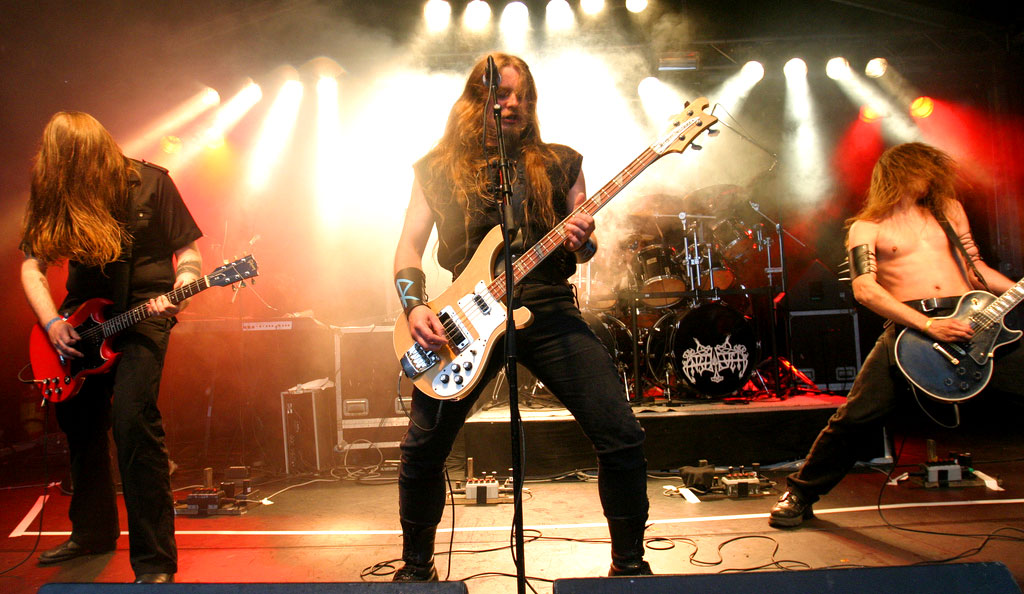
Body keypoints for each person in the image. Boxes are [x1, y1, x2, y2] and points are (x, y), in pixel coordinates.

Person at [391, 53, 651, 581]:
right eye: (503, 94)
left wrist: (583, 239)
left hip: (549, 307)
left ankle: (628, 565)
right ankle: (416, 570)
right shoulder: (436, 168)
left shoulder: (562, 162)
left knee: (621, 432)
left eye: (524, 96)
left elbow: (585, 245)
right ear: (475, 101)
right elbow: (408, 247)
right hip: (465, 318)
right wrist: (414, 305)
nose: (515, 104)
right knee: (422, 449)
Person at [769, 142, 1024, 527]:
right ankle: (800, 494)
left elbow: (976, 270)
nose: (933, 178)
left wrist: (1017, 289)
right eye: (925, 170)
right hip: (911, 329)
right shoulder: (866, 227)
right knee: (856, 417)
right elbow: (865, 290)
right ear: (901, 173)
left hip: (969, 322)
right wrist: (927, 324)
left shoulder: (949, 210)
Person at [20, 111, 203, 582]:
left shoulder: (150, 182)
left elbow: (188, 251)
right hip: (80, 322)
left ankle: (154, 562)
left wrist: (182, 286)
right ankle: (92, 533)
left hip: (144, 313)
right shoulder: (57, 191)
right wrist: (51, 321)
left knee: (133, 423)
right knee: (80, 426)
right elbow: (32, 266)